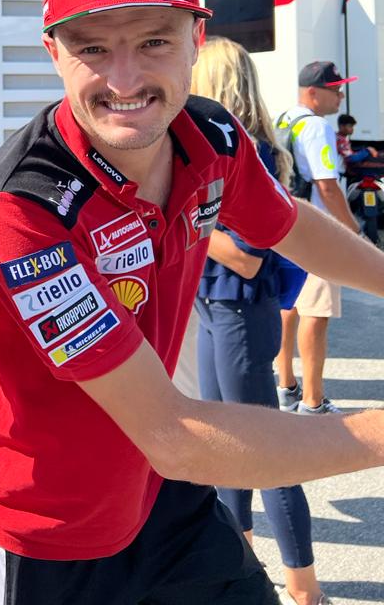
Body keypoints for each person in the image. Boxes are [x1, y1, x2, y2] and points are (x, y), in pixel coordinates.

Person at [0, 0, 384, 605]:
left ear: (196, 38)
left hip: (164, 494)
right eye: (92, 47)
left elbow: (288, 225)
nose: (124, 78)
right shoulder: (22, 205)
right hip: (48, 529)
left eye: (154, 40)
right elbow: (171, 432)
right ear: (53, 53)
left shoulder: (211, 134)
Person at [191, 37, 327, 605]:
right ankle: (241, 567)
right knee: (223, 443)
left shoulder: (255, 155)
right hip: (213, 306)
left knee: (266, 449)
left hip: (241, 309)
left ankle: (303, 585)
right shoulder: (209, 151)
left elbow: (247, 256)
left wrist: (183, 219)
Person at [274, 62, 359, 416]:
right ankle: (313, 401)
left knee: (289, 306)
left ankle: (286, 387)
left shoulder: (284, 119)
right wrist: (352, 231)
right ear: (313, 92)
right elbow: (328, 186)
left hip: (287, 224)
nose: (341, 96)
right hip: (317, 230)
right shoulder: (317, 127)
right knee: (317, 311)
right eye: (335, 90)